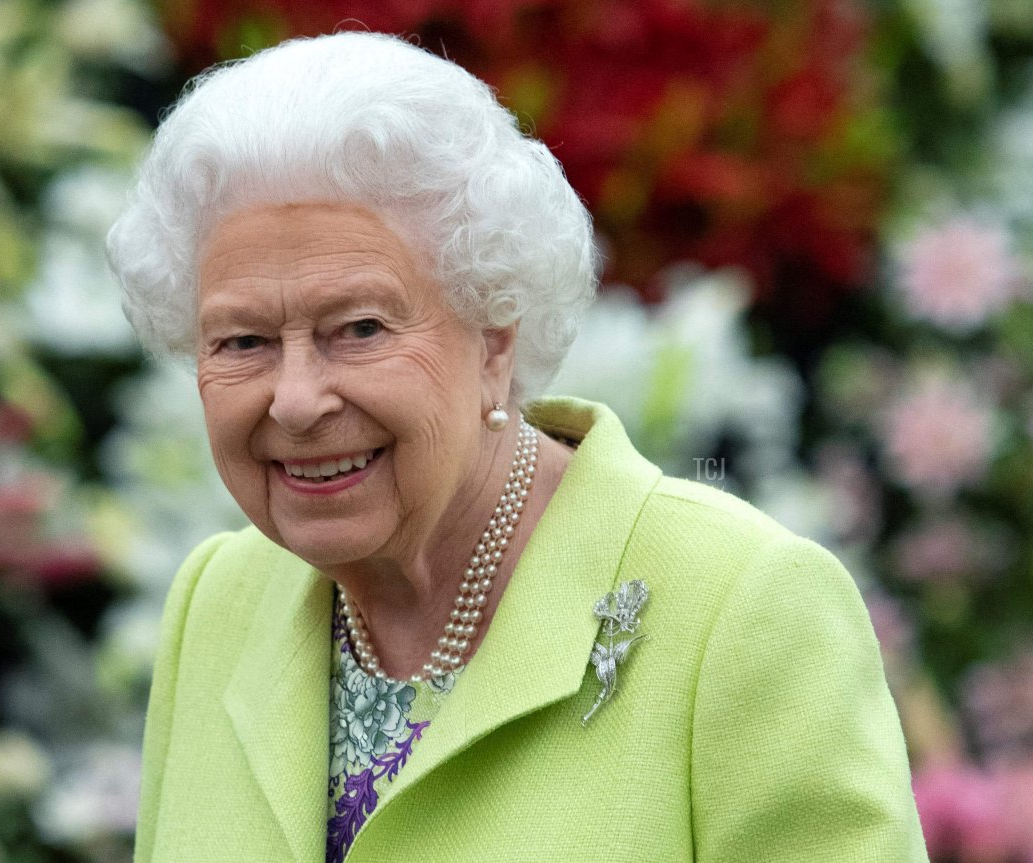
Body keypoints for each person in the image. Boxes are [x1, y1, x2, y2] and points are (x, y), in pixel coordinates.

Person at [106, 31, 929, 863]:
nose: (296, 399)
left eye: (359, 329)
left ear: (495, 339)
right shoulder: (218, 599)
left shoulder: (743, 608)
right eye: (242, 341)